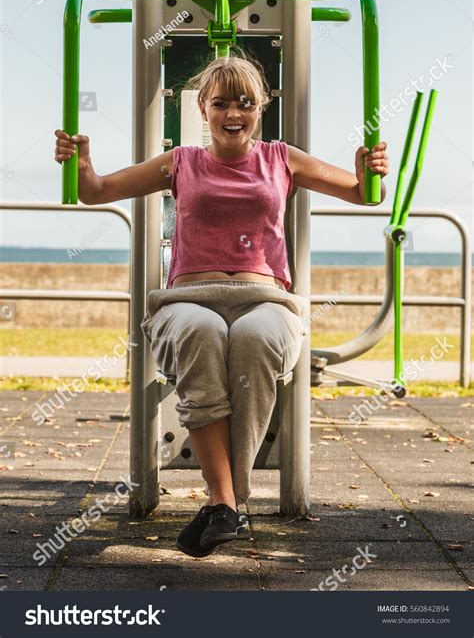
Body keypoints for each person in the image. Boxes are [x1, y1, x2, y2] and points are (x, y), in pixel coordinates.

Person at [54, 53, 389, 559]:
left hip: (266, 297)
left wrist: (371, 170)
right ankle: (225, 500)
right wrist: (80, 162)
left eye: (246, 103)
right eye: (221, 103)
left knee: (255, 340)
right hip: (188, 296)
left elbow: (363, 194)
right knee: (200, 331)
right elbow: (97, 191)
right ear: (203, 110)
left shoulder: (282, 158)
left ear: (262, 108)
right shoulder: (181, 162)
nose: (234, 113)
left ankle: (224, 504)